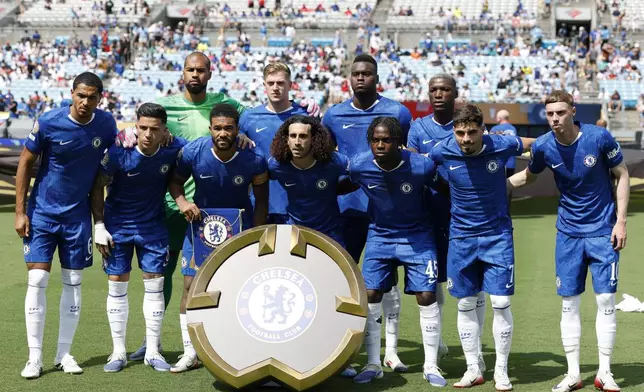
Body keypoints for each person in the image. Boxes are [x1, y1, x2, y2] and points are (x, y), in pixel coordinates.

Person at [126, 52, 318, 360]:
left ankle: (230, 344)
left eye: (201, 70)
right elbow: (143, 130)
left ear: (210, 73)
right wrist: (127, 134)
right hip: (179, 209)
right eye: (190, 69)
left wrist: (306, 106)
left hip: (227, 215)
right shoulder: (168, 108)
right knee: (165, 274)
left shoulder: (233, 109)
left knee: (233, 283)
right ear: (182, 72)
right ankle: (155, 343)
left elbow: (256, 116)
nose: (195, 75)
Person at [507, 90, 629, 392]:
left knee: (605, 300)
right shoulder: (545, 146)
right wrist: (494, 186)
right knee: (569, 304)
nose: (554, 119)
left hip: (603, 232)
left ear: (573, 111)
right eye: (549, 114)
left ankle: (604, 372)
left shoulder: (599, 138)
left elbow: (622, 174)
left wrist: (621, 222)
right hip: (568, 235)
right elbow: (528, 176)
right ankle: (574, 373)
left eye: (560, 113)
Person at [15, 72, 117, 379]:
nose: (85, 102)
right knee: (37, 282)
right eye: (80, 95)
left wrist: (99, 221)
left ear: (101, 98)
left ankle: (63, 353)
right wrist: (20, 212)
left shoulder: (106, 125)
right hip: (43, 214)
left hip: (77, 218)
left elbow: (106, 170)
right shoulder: (48, 122)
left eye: (92, 97)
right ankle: (35, 357)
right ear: (71, 94)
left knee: (73, 283)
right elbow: (24, 164)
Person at [430, 104, 534, 390]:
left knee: (500, 302)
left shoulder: (500, 144)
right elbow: (418, 166)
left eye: (472, 132)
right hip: (461, 238)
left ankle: (501, 370)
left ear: (482, 130)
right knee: (465, 303)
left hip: (497, 236)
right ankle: (473, 367)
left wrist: (522, 177)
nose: (465, 139)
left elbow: (538, 145)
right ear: (454, 131)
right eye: (460, 132)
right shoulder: (442, 150)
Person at [322, 54, 412, 372]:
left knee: (387, 285)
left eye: (367, 74)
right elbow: (325, 158)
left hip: (387, 212)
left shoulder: (397, 112)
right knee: (341, 281)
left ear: (377, 78)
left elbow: (409, 157)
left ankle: (390, 351)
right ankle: (341, 353)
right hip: (346, 210)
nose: (361, 78)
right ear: (350, 78)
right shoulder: (333, 115)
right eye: (356, 73)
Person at [168, 103, 269, 373]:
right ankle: (190, 351)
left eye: (229, 128)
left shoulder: (254, 158)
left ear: (237, 129)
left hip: (240, 230)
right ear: (210, 128)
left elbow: (261, 201)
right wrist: (182, 202)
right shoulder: (194, 151)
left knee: (239, 288)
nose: (223, 133)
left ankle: (235, 348)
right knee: (190, 286)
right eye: (218, 128)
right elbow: (175, 181)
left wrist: (257, 234)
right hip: (201, 228)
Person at [89, 103, 186, 373]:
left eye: (154, 129)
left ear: (164, 129)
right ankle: (118, 352)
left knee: (155, 284)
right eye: (142, 127)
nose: (147, 134)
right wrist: (99, 226)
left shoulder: (173, 148)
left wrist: (241, 137)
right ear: (135, 125)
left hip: (153, 226)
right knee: (117, 283)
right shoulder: (120, 151)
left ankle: (153, 352)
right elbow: (98, 185)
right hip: (117, 226)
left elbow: (206, 145)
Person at [349, 117, 444, 386]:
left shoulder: (421, 166)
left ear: (398, 142)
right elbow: (344, 184)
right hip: (380, 235)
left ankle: (431, 365)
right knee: (370, 293)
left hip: (418, 236)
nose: (380, 144)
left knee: (427, 295)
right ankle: (373, 363)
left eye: (386, 139)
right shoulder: (359, 165)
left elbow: (444, 190)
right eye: (375, 140)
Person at [407, 73, 483, 368]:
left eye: (445, 90)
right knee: (433, 280)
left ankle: (475, 353)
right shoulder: (418, 128)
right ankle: (436, 344)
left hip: (469, 216)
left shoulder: (466, 127)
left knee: (474, 285)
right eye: (434, 90)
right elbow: (416, 167)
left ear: (455, 93)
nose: (439, 94)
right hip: (429, 213)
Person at [239, 62, 309, 224]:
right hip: (259, 203)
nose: (275, 88)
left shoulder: (305, 116)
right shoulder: (249, 117)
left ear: (290, 85)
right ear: (264, 86)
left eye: (280, 83)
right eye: (271, 83)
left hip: (296, 204)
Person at [490, 109, 519, 207]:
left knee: (496, 187)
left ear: (499, 118)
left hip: (497, 163)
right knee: (508, 186)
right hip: (511, 163)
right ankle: (507, 209)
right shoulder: (513, 129)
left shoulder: (494, 129)